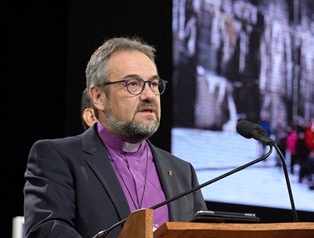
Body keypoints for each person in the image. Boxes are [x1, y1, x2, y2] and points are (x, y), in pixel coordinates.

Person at [23, 36, 208, 238]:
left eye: (153, 84)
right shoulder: (58, 157)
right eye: (133, 84)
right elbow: (46, 230)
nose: (149, 95)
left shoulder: (183, 172)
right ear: (99, 97)